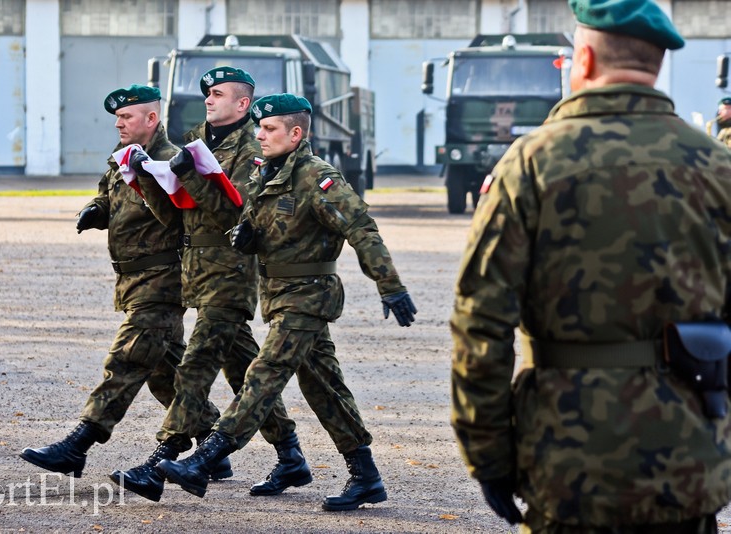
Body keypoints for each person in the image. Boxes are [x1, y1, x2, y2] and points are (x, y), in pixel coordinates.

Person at [450, 0, 731, 531]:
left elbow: (479, 322)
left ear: (582, 58)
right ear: (656, 64)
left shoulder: (532, 162)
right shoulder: (717, 166)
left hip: (567, 459)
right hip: (688, 457)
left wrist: (487, 454)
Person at [154, 93, 417, 511]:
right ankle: (365, 476)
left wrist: (390, 285)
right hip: (278, 297)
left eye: (269, 128)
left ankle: (206, 459)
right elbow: (253, 220)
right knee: (323, 386)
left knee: (265, 372)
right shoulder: (265, 173)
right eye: (259, 128)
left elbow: (362, 230)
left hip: (309, 296)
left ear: (296, 133)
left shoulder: (317, 176)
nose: (260, 135)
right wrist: (248, 235)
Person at [110, 67, 307, 503]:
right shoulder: (195, 140)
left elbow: (234, 214)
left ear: (242, 104)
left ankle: (162, 460)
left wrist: (190, 175)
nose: (208, 100)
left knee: (196, 364)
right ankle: (291, 456)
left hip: (232, 270)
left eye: (217, 94)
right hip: (196, 269)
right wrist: (145, 178)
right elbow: (177, 213)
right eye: (207, 94)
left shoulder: (254, 148)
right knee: (243, 370)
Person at [20, 85, 185, 478]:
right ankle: (213, 439)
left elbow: (181, 219)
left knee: (125, 360)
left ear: (151, 119)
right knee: (167, 375)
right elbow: (107, 197)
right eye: (118, 117)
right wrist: (94, 211)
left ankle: (78, 444)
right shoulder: (123, 158)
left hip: (161, 281)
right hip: (132, 280)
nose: (118, 123)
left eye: (127, 117)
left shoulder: (171, 161)